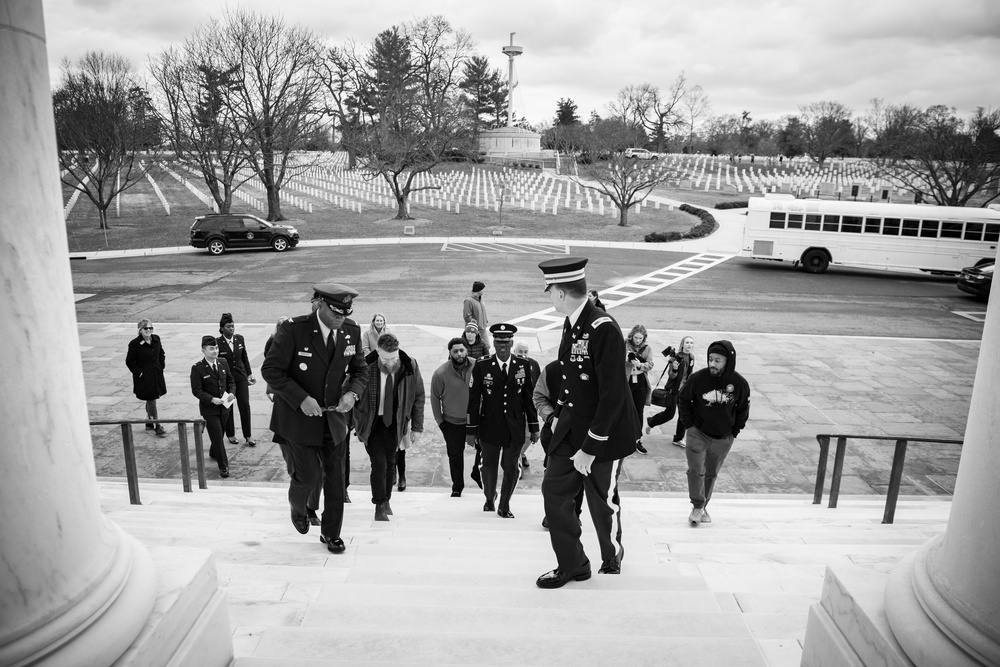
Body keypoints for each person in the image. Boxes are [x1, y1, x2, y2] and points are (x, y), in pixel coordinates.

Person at [535, 256, 640, 589]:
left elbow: (613, 395)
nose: (548, 295)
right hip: (572, 423)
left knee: (602, 503)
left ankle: (611, 556)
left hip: (601, 433)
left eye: (549, 290)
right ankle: (573, 564)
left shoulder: (602, 327)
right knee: (553, 490)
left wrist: (590, 448)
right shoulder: (572, 321)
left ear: (562, 293)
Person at [261, 284, 369, 554]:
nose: (341, 318)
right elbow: (271, 370)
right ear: (320, 305)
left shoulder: (351, 331)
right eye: (336, 312)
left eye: (346, 313)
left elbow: (361, 371)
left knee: (336, 480)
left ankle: (331, 534)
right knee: (307, 477)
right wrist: (301, 398)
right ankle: (298, 507)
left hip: (333, 420)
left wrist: (352, 395)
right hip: (299, 420)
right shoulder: (293, 329)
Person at [466, 323, 539, 519]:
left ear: (511, 343)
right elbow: (473, 399)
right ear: (494, 344)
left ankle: (505, 505)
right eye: (498, 342)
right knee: (488, 466)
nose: (502, 346)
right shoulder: (482, 365)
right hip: (489, 425)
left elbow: (528, 397)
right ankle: (490, 497)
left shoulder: (523, 365)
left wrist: (533, 426)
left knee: (511, 467)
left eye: (506, 342)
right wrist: (471, 430)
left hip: (514, 426)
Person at [676, 340, 750, 526]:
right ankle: (698, 505)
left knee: (710, 473)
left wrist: (734, 432)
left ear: (728, 362)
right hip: (697, 433)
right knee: (695, 471)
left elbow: (742, 410)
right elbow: (683, 399)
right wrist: (689, 425)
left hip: (723, 437)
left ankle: (702, 507)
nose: (712, 364)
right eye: (710, 359)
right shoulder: (698, 379)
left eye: (718, 360)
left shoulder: (740, 384)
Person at [353, 332, 424, 521]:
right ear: (377, 351)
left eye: (393, 357)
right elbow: (348, 390)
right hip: (372, 422)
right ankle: (379, 504)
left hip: (396, 421)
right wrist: (347, 421)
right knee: (379, 463)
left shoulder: (409, 365)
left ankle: (387, 501)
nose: (390, 361)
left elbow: (418, 396)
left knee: (391, 462)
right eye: (385, 358)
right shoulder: (365, 365)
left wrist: (417, 427)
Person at [265, 316, 322, 525]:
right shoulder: (276, 358)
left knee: (317, 471)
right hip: (288, 423)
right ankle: (300, 505)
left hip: (315, 421)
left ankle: (311, 509)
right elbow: (273, 378)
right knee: (295, 470)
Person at [430, 337, 476, 497]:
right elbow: (435, 399)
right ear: (450, 353)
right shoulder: (440, 373)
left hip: (475, 422)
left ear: (466, 350)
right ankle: (457, 487)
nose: (459, 354)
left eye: (462, 350)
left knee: (485, 451)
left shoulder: (477, 366)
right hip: (452, 423)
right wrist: (440, 422)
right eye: (455, 351)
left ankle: (478, 473)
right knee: (455, 456)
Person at [190, 335, 236, 478]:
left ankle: (213, 451)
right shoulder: (197, 369)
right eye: (211, 349)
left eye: (216, 348)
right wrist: (211, 399)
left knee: (220, 433)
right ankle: (224, 466)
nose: (215, 351)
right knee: (217, 436)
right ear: (203, 350)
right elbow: (196, 390)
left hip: (225, 406)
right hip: (209, 409)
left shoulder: (223, 362)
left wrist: (232, 393)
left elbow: (231, 381)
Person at [646, 335, 696, 448]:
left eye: (691, 343)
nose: (689, 345)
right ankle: (651, 422)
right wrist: (674, 368)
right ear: (682, 344)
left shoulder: (692, 357)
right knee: (669, 414)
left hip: (685, 390)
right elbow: (671, 376)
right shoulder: (676, 357)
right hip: (673, 390)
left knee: (684, 414)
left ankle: (678, 438)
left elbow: (690, 372)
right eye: (687, 342)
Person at [218, 313, 256, 446]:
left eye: (233, 326)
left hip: (241, 376)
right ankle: (231, 434)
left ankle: (248, 435)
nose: (231, 329)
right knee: (228, 406)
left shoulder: (239, 339)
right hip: (227, 379)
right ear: (222, 328)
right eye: (228, 327)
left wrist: (249, 374)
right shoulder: (218, 342)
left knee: (244, 404)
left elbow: (244, 357)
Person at [125, 318, 167, 437]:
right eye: (146, 328)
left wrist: (161, 365)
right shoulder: (135, 343)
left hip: (156, 375)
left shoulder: (156, 339)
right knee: (151, 399)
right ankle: (157, 425)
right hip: (144, 378)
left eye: (150, 328)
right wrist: (140, 373)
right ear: (140, 330)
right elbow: (129, 361)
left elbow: (161, 353)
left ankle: (149, 420)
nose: (149, 330)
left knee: (151, 398)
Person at [625, 324, 655, 455]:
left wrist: (640, 365)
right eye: (636, 337)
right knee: (625, 409)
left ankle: (637, 439)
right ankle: (624, 436)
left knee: (639, 411)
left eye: (640, 338)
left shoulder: (647, 348)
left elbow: (650, 364)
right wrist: (627, 359)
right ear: (632, 336)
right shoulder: (624, 344)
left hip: (640, 382)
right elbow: (615, 359)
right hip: (627, 380)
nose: (638, 340)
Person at [513, 340, 541, 469]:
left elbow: (538, 383)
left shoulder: (533, 364)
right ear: (515, 351)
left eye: (525, 352)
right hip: (515, 406)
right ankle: (517, 457)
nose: (523, 354)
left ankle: (520, 454)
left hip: (529, 405)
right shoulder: (510, 364)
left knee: (531, 435)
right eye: (520, 351)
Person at [463, 280, 490, 350]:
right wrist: (474, 323)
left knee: (487, 346)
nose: (484, 290)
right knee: (476, 348)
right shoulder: (469, 301)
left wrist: (485, 320)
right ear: (479, 290)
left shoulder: (480, 298)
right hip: (474, 330)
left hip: (483, 328)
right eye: (483, 289)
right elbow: (466, 316)